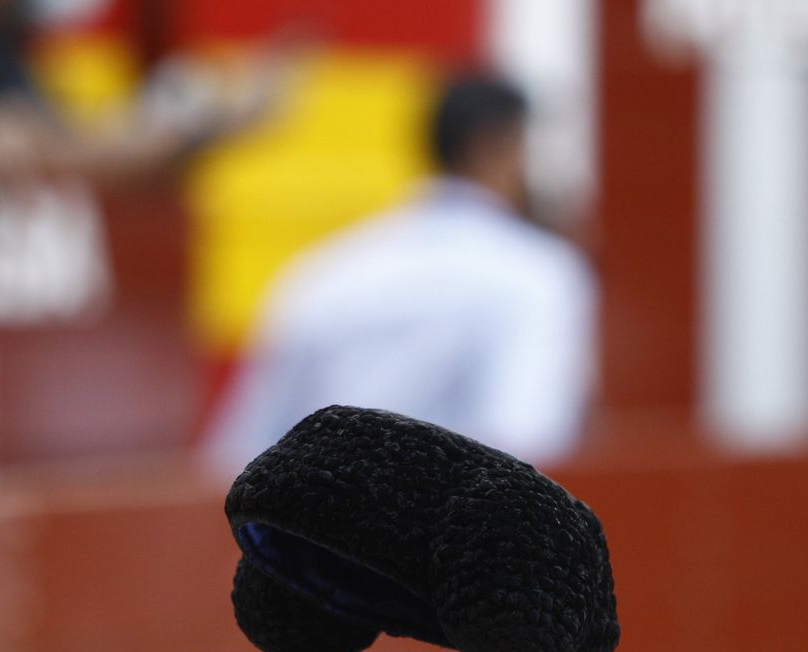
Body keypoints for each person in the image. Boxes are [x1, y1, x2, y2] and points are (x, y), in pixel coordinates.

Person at [204, 73, 598, 473]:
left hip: (324, 528)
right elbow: (533, 444)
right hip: (465, 531)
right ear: (496, 146)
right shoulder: (539, 276)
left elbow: (239, 456)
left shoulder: (325, 271)